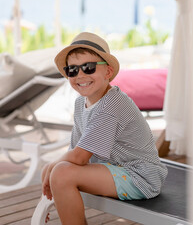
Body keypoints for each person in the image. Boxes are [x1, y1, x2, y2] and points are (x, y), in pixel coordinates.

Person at [41, 32, 167, 225]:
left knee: (61, 172)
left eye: (88, 68)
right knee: (59, 170)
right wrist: (53, 177)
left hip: (140, 176)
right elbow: (74, 152)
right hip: (114, 169)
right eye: (72, 70)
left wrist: (52, 167)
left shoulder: (112, 104)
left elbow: (78, 158)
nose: (80, 75)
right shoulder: (79, 104)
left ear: (108, 72)